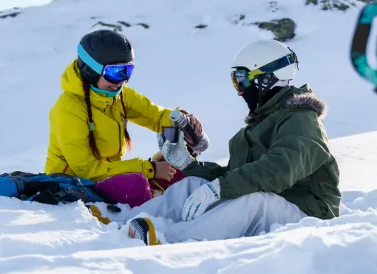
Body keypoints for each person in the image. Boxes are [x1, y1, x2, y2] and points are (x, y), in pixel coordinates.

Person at [125, 38, 340, 245]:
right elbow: (234, 175)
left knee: (253, 202)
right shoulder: (263, 123)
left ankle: (170, 242)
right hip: (275, 199)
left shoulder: (302, 120)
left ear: (266, 79)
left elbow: (278, 170)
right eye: (235, 81)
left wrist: (221, 188)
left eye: (241, 79)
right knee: (194, 184)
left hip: (309, 212)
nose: (239, 90)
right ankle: (122, 226)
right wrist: (188, 165)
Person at [45, 29, 205, 208]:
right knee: (135, 184)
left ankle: (184, 209)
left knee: (175, 167)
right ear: (90, 70)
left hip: (109, 177)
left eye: (127, 71)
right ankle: (154, 217)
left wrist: (181, 120)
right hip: (76, 184)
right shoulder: (68, 109)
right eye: (115, 72)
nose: (121, 80)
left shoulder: (119, 95)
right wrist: (149, 169)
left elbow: (155, 116)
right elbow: (87, 170)